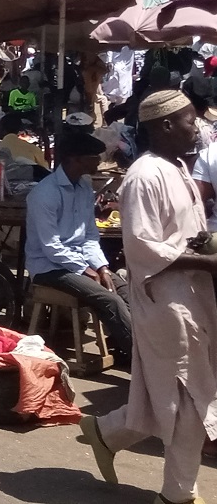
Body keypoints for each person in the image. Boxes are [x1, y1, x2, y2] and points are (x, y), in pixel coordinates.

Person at [79, 90, 217, 504]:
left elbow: (182, 235)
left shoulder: (177, 169)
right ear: (164, 126)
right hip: (166, 300)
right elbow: (142, 247)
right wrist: (207, 262)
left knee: (167, 395)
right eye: (190, 120)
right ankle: (177, 495)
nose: (198, 127)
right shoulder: (144, 175)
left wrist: (203, 246)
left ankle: (105, 433)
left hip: (193, 295)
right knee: (190, 397)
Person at [25, 131, 131, 361]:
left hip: (77, 260)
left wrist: (101, 268)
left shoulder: (84, 188)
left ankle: (126, 346)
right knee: (109, 299)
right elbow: (51, 247)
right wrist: (84, 270)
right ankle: (141, 357)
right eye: (93, 157)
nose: (99, 161)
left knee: (125, 291)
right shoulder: (44, 194)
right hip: (48, 268)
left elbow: (90, 236)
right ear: (74, 159)